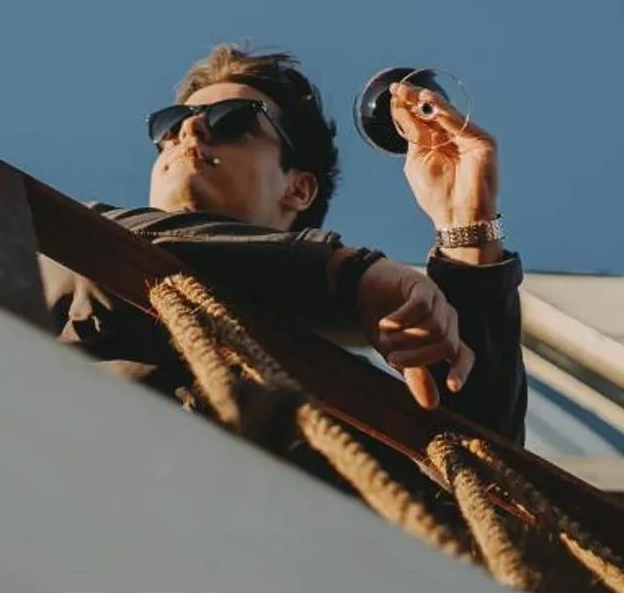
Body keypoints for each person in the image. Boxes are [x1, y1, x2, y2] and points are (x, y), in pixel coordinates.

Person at [46, 45, 526, 477]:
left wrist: (469, 227)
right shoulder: (70, 245)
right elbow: (129, 239)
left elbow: (488, 474)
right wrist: (349, 273)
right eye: (171, 124)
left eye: (232, 119)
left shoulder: (337, 401)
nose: (189, 129)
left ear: (299, 187)